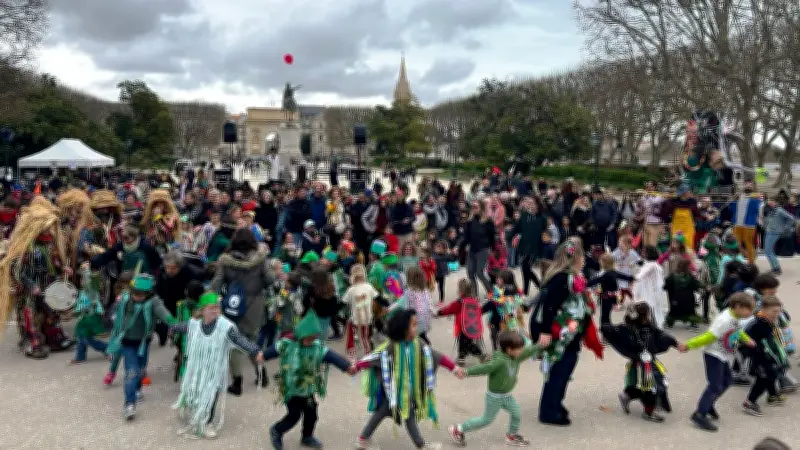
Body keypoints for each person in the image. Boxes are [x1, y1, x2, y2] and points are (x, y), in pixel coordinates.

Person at [354, 309, 460, 450]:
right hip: (393, 393)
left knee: (399, 415)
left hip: (407, 393)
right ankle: (419, 445)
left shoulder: (419, 343)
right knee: (389, 414)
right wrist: (355, 367)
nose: (417, 327)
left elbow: (436, 356)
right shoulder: (392, 346)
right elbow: (374, 357)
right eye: (414, 325)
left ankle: (363, 439)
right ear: (403, 329)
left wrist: (454, 368)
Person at [529, 239, 603, 426]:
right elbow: (549, 305)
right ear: (573, 258)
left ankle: (555, 404)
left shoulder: (572, 277)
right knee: (559, 370)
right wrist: (546, 331)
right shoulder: (562, 278)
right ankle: (549, 411)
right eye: (581, 256)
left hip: (569, 333)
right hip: (559, 333)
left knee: (565, 368)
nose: (584, 259)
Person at [171, 292, 265, 439]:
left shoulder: (225, 326)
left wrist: (254, 350)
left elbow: (239, 339)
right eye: (211, 308)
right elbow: (182, 327)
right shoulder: (194, 324)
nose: (214, 310)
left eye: (216, 307)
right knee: (197, 391)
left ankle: (207, 423)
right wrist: (172, 328)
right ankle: (195, 411)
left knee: (212, 394)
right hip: (198, 368)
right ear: (202, 310)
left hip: (214, 370)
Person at [266, 310, 354, 450]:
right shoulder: (288, 344)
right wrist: (262, 355)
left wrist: (347, 367)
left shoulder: (316, 347)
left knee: (312, 414)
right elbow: (273, 350)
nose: (311, 342)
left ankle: (307, 436)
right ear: (300, 335)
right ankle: (276, 430)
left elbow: (332, 356)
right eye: (308, 339)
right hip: (291, 388)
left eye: (313, 339)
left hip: (307, 388)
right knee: (294, 415)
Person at [0, 202, 75, 359]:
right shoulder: (24, 247)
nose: (49, 230)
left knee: (51, 312)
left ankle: (55, 339)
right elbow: (17, 271)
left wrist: (62, 268)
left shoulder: (48, 243)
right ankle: (33, 343)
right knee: (31, 315)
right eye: (46, 227)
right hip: (30, 289)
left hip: (47, 284)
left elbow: (52, 262)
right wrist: (31, 285)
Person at [210, 228, 274, 396]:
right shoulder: (261, 258)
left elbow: (216, 283)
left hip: (233, 304)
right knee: (252, 340)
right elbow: (270, 279)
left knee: (233, 342)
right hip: (255, 304)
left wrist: (208, 301)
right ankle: (261, 374)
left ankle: (237, 382)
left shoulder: (225, 260)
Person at [106, 274, 176, 420]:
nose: (138, 296)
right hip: (127, 342)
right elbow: (113, 313)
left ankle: (137, 389)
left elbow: (165, 315)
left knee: (141, 369)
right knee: (131, 372)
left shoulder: (154, 301)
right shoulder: (124, 299)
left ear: (149, 293)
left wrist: (176, 325)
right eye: (135, 293)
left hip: (144, 342)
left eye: (142, 294)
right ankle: (129, 404)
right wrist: (113, 320)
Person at [448, 330, 537, 447]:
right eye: (519, 349)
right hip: (494, 397)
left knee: (516, 413)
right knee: (486, 420)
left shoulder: (516, 357)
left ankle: (511, 436)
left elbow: (528, 351)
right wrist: (466, 372)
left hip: (506, 396)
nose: (521, 351)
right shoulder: (499, 361)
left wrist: (539, 345)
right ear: (509, 350)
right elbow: (484, 368)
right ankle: (458, 429)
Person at [603, 302, 687, 422]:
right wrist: (675, 343)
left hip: (641, 362)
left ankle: (627, 395)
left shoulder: (639, 328)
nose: (649, 316)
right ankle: (648, 412)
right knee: (651, 386)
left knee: (645, 385)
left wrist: (675, 343)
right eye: (647, 314)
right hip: (645, 365)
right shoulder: (637, 329)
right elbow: (662, 336)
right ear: (644, 315)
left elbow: (662, 336)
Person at [685, 292, 756, 431]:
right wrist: (688, 345)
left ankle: (709, 404)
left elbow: (737, 331)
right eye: (749, 310)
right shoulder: (724, 320)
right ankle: (699, 414)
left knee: (727, 381)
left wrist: (747, 339)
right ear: (738, 306)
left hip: (724, 355)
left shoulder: (736, 317)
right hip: (714, 355)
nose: (750, 313)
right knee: (715, 385)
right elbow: (708, 337)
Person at [741, 295, 790, 416]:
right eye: (774, 311)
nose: (776, 314)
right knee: (763, 379)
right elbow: (745, 339)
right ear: (763, 309)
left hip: (768, 356)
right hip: (759, 357)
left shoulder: (769, 321)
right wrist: (752, 353)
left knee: (772, 375)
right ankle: (750, 401)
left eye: (778, 312)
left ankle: (772, 395)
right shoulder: (757, 324)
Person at [436, 279, 487, 367]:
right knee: (463, 343)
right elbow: (479, 311)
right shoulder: (474, 301)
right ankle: (461, 358)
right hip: (472, 327)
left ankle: (480, 355)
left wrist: (439, 313)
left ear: (461, 291)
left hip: (463, 327)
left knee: (467, 344)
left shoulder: (459, 302)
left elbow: (449, 309)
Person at [342, 264, 380, 359]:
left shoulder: (351, 290)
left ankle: (357, 357)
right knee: (367, 337)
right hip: (368, 319)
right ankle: (369, 354)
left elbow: (343, 302)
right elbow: (379, 298)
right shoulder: (369, 287)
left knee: (358, 337)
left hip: (356, 320)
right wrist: (387, 305)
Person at [663, 259, 704, 329]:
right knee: (691, 312)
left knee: (673, 312)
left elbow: (665, 286)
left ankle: (670, 323)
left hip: (675, 299)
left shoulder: (672, 276)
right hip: (688, 300)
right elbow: (696, 285)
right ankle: (693, 323)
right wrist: (705, 287)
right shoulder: (690, 276)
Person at [633, 247, 667, 328]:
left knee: (650, 307)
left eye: (644, 252)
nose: (642, 253)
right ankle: (652, 323)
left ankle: (652, 325)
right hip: (651, 290)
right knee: (653, 307)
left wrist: (631, 278)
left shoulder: (651, 265)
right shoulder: (654, 264)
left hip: (650, 291)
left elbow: (640, 276)